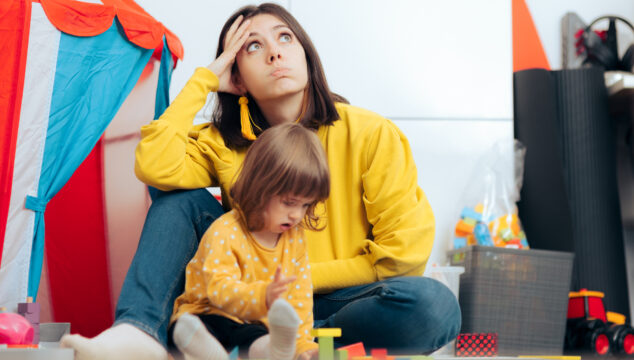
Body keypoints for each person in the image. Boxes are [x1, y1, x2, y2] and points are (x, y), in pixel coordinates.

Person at [61, 3, 461, 360]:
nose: (274, 52)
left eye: (285, 37)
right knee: (176, 200)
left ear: (305, 53)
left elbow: (403, 255)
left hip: (345, 302)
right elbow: (154, 166)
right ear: (237, 76)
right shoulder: (223, 143)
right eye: (252, 46)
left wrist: (297, 283)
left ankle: (284, 346)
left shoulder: (370, 133)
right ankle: (139, 332)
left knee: (433, 305)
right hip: (255, 301)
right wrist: (204, 80)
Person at [169, 123, 328, 360]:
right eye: (289, 203)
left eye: (305, 205)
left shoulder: (294, 238)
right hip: (208, 313)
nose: (297, 215)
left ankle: (276, 351)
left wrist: (302, 345)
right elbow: (218, 291)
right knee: (186, 327)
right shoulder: (225, 231)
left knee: (257, 337)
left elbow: (300, 297)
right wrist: (263, 296)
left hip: (251, 326)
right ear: (260, 189)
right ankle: (208, 351)